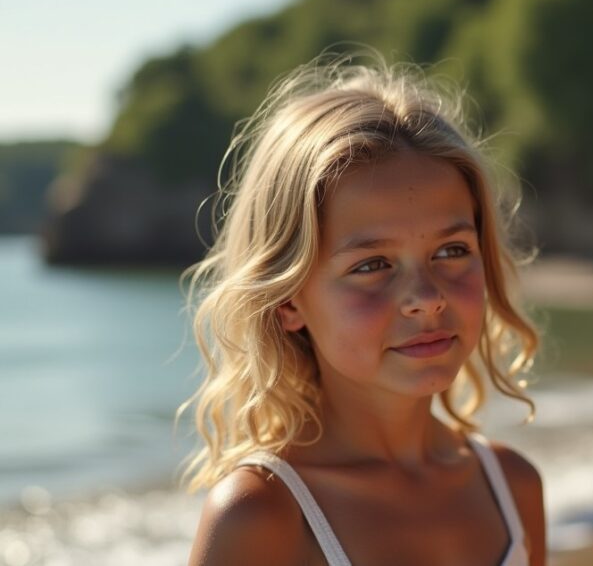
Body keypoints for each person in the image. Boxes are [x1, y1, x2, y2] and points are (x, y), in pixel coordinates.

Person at [181, 55, 545, 565]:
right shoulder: (261, 517)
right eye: (373, 264)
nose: (427, 296)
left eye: (451, 251)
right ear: (287, 300)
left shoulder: (512, 488)